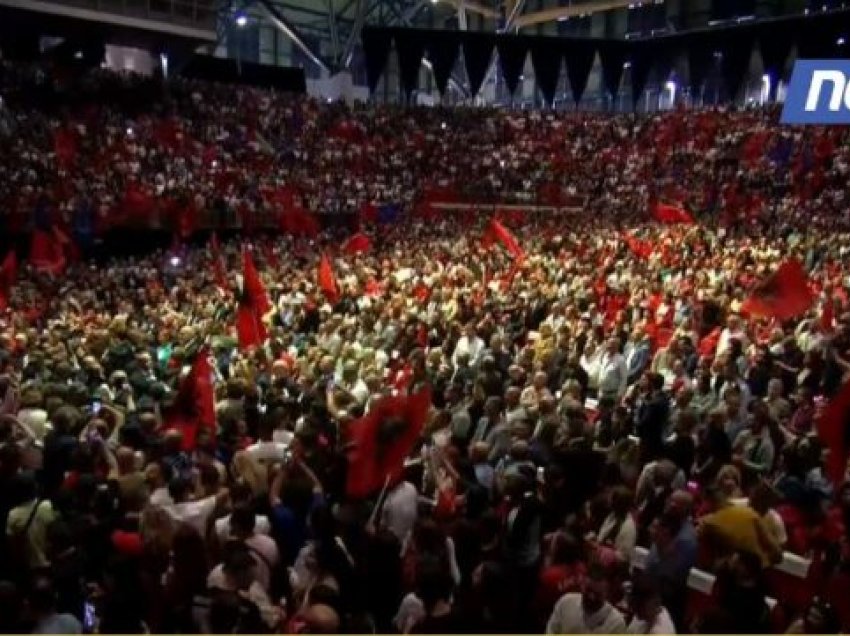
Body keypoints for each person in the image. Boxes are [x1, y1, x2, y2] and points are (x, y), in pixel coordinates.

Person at [546, 563, 627, 634]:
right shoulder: (566, 602)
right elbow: (551, 630)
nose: (591, 597)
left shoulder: (616, 623)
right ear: (582, 585)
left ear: (607, 593)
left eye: (597, 594)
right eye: (588, 591)